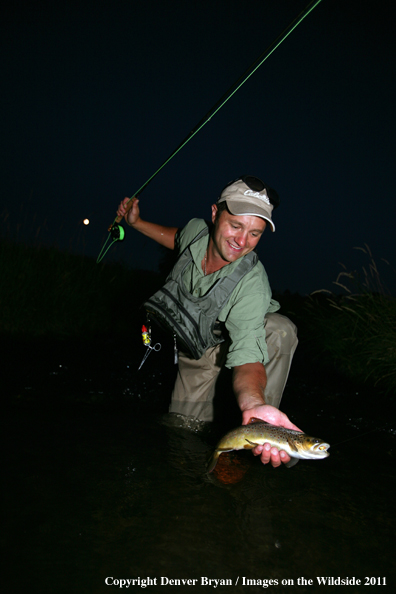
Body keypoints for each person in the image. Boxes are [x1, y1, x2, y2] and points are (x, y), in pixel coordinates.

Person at [117, 175, 300, 468]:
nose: (242, 241)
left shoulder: (253, 283)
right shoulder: (196, 230)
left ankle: (258, 433)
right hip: (197, 345)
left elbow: (248, 358)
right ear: (215, 214)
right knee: (181, 432)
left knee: (280, 330)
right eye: (236, 226)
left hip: (244, 338)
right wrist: (136, 223)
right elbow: (176, 237)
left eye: (255, 233)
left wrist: (253, 406)